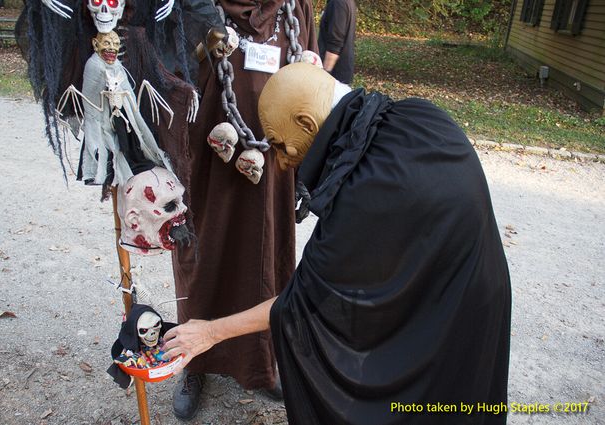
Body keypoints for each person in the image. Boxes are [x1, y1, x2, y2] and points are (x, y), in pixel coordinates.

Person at [162, 62, 511, 424]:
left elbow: (301, 302)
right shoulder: (420, 114)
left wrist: (210, 332)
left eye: (281, 145)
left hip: (449, 313)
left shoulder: (363, 195)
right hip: (482, 289)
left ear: (308, 124)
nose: (281, 163)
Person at [167, 1, 319, 421]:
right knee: (202, 259)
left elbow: (312, 85)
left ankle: (260, 362)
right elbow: (166, 76)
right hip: (207, 161)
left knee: (265, 258)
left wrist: (309, 168)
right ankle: (195, 363)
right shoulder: (193, 7)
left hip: (272, 165)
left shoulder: (295, 8)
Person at [318, 0, 357, 84]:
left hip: (335, 77)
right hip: (341, 73)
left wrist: (325, 74)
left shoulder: (338, 3)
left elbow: (335, 43)